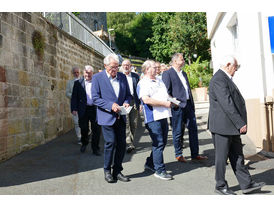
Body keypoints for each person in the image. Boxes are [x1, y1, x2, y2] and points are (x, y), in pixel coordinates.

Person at [208, 55, 265, 195]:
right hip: (223, 127)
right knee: (222, 158)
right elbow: (227, 103)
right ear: (228, 65)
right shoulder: (219, 79)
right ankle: (220, 186)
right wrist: (240, 123)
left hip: (230, 126)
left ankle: (246, 183)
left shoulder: (224, 78)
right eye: (236, 67)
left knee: (238, 156)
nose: (236, 70)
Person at [92, 53, 132, 183]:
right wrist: (110, 105)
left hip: (121, 116)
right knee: (110, 143)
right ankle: (107, 170)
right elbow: (95, 98)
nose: (115, 69)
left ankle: (117, 171)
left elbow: (128, 95)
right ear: (105, 66)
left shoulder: (122, 77)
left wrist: (126, 102)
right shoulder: (97, 78)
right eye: (113, 67)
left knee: (121, 144)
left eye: (117, 67)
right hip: (107, 117)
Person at [162, 53, 207, 162]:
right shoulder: (167, 74)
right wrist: (174, 102)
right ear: (175, 61)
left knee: (193, 130)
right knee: (177, 131)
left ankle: (195, 154)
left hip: (188, 105)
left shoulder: (184, 73)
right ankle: (178, 154)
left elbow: (187, 90)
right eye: (181, 59)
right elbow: (165, 93)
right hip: (177, 107)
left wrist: (192, 104)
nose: (184, 61)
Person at [137, 60, 173, 180]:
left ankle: (150, 163)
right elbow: (146, 100)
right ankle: (159, 170)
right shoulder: (143, 83)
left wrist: (173, 101)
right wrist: (164, 103)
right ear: (147, 69)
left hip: (163, 115)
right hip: (153, 117)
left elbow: (165, 95)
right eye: (154, 67)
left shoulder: (159, 80)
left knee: (161, 142)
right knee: (158, 143)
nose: (157, 68)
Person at [71, 65, 101, 155]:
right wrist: (74, 108)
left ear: (92, 73)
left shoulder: (97, 82)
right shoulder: (78, 83)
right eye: (86, 72)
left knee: (96, 129)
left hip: (95, 108)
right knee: (83, 128)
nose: (87, 74)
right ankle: (84, 142)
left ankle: (95, 148)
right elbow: (74, 97)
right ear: (83, 73)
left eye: (89, 72)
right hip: (83, 109)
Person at [121, 59, 141, 153]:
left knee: (134, 123)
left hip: (134, 101)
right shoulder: (119, 76)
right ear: (122, 66)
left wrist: (140, 103)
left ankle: (131, 141)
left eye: (127, 65)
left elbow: (139, 90)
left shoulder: (135, 76)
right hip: (124, 102)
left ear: (130, 66)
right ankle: (128, 143)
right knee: (126, 123)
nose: (126, 67)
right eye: (124, 65)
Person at [66, 67, 82, 144]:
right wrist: (74, 95)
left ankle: (86, 135)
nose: (76, 74)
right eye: (75, 72)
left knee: (85, 121)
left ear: (80, 72)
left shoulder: (83, 81)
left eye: (77, 72)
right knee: (76, 122)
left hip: (83, 104)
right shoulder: (70, 82)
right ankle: (79, 137)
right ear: (72, 73)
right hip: (74, 104)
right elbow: (67, 93)